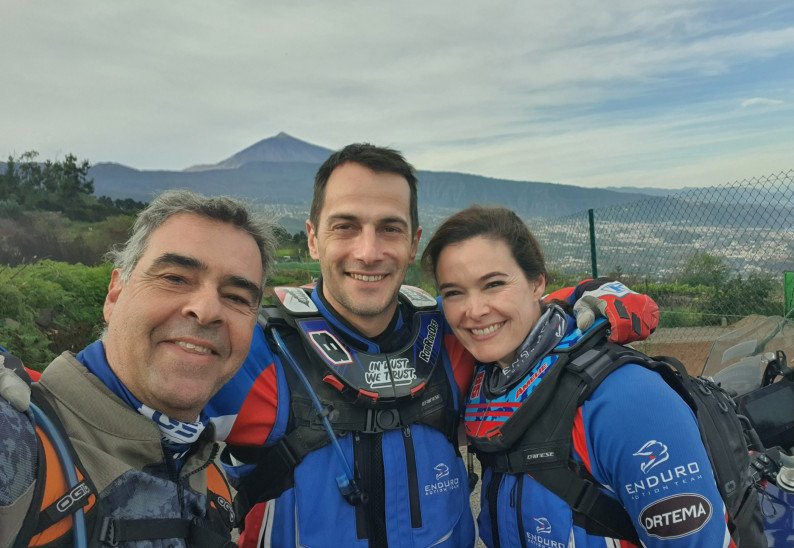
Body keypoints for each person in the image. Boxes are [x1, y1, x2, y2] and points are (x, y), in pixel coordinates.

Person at [206, 144, 659, 548]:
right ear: (312, 238)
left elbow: (509, 311)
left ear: (413, 242)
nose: (368, 252)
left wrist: (591, 299)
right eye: (345, 227)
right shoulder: (255, 351)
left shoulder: (448, 337)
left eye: (390, 229)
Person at [421, 205, 733, 547]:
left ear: (537, 281)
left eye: (494, 284)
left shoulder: (625, 398)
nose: (475, 311)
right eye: (454, 292)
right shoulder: (488, 380)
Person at [0, 190, 278, 547]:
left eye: (237, 297)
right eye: (175, 278)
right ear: (114, 295)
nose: (207, 310)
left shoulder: (211, 479)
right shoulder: (19, 445)